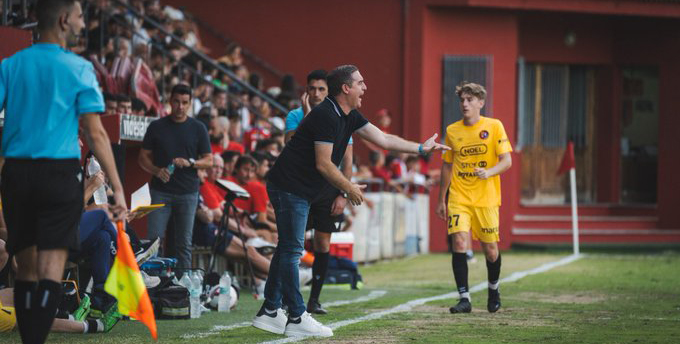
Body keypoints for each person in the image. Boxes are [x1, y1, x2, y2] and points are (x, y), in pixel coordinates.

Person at [252, 64, 449, 337]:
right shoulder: (325, 116)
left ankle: (270, 311)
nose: (364, 88)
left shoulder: (349, 114)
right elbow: (323, 164)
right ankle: (296, 315)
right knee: (292, 249)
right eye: (360, 83)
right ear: (346, 88)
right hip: (289, 186)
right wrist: (349, 189)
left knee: (287, 248)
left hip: (299, 188)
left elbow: (383, 139)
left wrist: (420, 148)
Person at [0, 1, 127, 343]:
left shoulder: (10, 65)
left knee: (26, 273)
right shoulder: (79, 68)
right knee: (49, 275)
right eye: (80, 16)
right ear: (63, 20)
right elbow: (95, 133)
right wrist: (117, 187)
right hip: (57, 178)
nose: (84, 23)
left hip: (16, 174)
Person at [436, 82, 512, 314]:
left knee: (490, 249)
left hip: (486, 198)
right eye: (462, 100)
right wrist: (442, 199)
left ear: (481, 102)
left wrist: (488, 172)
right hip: (459, 196)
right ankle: (464, 298)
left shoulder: (494, 126)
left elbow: (507, 161)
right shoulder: (452, 131)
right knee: (459, 242)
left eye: (470, 100)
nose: (465, 104)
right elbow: (447, 167)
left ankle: (493, 289)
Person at [283, 69, 352, 315]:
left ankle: (314, 300)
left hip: (328, 190)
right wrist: (309, 117)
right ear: (306, 90)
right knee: (292, 244)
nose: (316, 93)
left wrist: (343, 193)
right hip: (300, 188)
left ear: (328, 91)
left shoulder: (341, 116)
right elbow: (291, 145)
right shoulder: (294, 115)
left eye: (321, 89)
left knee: (323, 242)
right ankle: (287, 298)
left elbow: (347, 160)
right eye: (312, 88)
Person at [138, 83, 212, 275]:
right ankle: (154, 284)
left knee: (184, 243)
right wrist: (156, 170)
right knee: (154, 241)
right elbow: (142, 157)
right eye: (177, 102)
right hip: (160, 191)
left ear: (190, 104)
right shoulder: (157, 126)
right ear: (170, 101)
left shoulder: (198, 128)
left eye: (185, 103)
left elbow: (209, 160)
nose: (180, 106)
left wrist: (191, 163)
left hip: (188, 192)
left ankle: (184, 287)